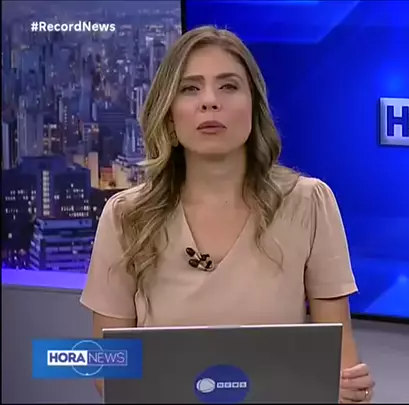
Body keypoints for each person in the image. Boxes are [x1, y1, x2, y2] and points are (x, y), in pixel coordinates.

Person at [79, 25, 375, 403]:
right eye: (190, 88)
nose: (209, 101)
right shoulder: (127, 216)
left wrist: (349, 389)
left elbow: (341, 360)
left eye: (228, 86)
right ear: (169, 117)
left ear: (254, 109)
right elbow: (106, 368)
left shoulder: (309, 203)